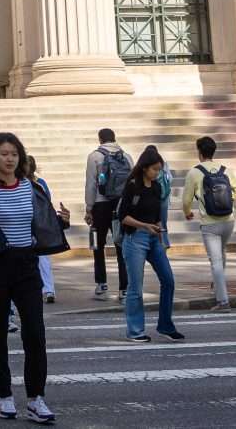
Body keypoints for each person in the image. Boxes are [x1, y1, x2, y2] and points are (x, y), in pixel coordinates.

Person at [0, 131, 57, 422]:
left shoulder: (30, 187)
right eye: (4, 154)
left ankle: (35, 398)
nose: (9, 159)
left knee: (35, 332)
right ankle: (4, 396)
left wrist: (61, 222)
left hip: (27, 264)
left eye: (14, 154)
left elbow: (41, 221)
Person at [113, 144, 181, 343]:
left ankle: (165, 325)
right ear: (144, 167)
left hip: (153, 237)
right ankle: (135, 330)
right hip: (135, 238)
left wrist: (158, 227)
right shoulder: (133, 185)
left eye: (159, 170)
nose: (157, 173)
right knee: (136, 286)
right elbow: (123, 216)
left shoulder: (157, 186)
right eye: (154, 169)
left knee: (168, 280)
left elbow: (158, 213)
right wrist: (145, 226)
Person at [178, 135, 236, 310]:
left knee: (216, 260)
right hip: (229, 220)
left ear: (199, 152)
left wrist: (188, 212)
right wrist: (227, 200)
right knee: (221, 254)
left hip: (209, 223)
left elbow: (186, 200)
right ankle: (218, 286)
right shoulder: (225, 170)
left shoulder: (194, 172)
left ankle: (223, 300)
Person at [83, 128, 131, 301]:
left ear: (100, 139)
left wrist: (89, 208)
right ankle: (124, 288)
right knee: (121, 245)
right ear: (114, 138)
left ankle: (101, 284)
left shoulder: (94, 156)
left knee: (97, 244)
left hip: (100, 205)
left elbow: (90, 184)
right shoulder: (126, 157)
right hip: (120, 205)